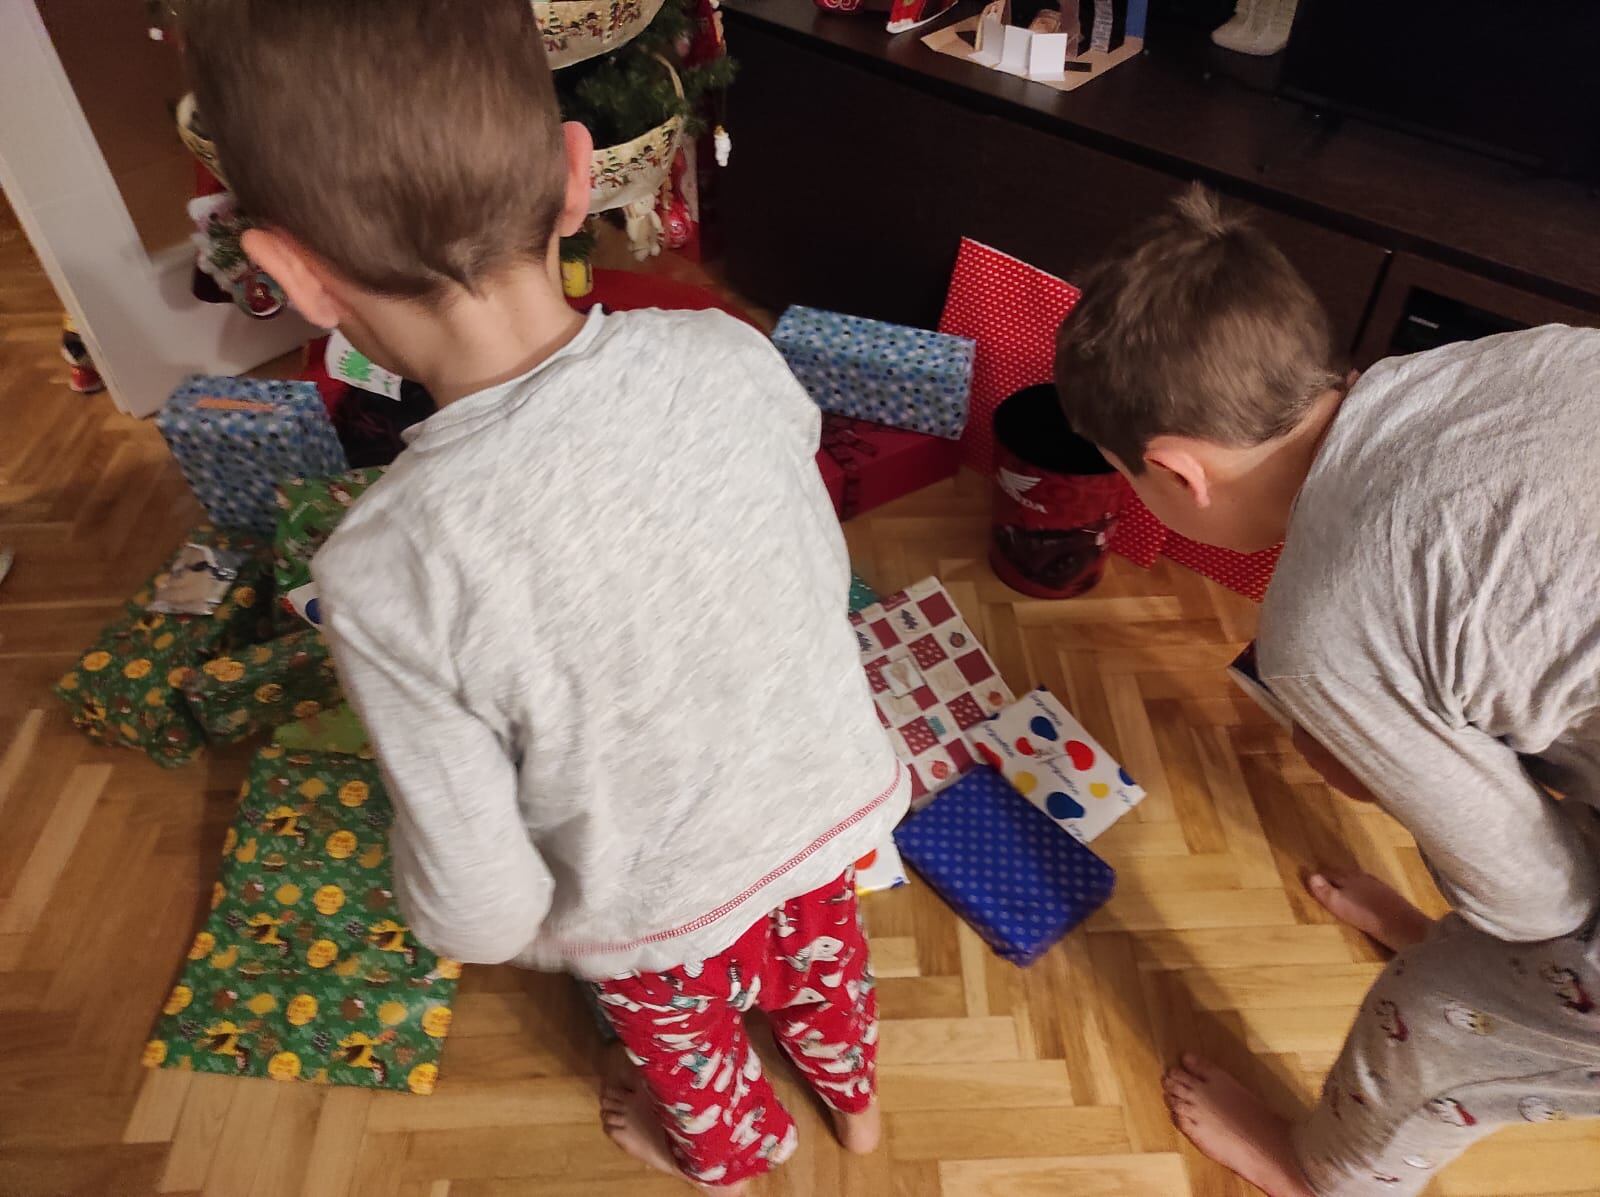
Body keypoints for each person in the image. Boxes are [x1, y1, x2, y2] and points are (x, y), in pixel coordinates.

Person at [180, 3, 905, 1192]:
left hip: (654, 906)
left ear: (294, 277)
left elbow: (475, 902)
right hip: (825, 810)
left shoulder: (382, 569)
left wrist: (526, 931)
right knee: (827, 969)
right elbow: (805, 577)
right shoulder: (731, 356)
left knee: (690, 1055)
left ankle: (741, 1153)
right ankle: (856, 1109)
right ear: (576, 174)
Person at [1054, 186, 1600, 1197]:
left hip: (1548, 916)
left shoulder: (1321, 630)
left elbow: (1538, 897)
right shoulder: (1487, 362)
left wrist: (1388, 780)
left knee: (1444, 1016)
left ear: (1176, 472)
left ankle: (1326, 1174)